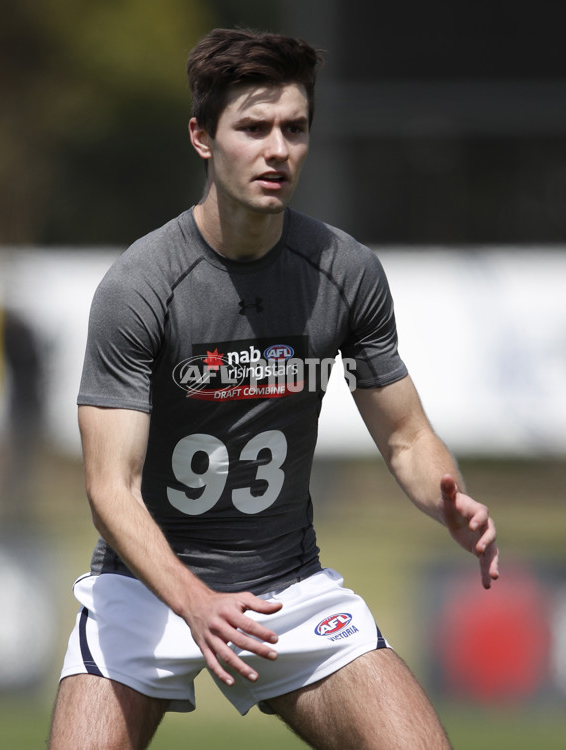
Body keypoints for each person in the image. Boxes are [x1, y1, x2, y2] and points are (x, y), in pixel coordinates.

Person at [48, 27, 499, 750]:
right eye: (253, 128)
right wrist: (195, 602)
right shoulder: (140, 286)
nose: (278, 149)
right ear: (202, 136)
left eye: (295, 128)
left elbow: (408, 437)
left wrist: (449, 495)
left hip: (287, 586)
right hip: (145, 589)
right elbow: (111, 489)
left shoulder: (345, 272)